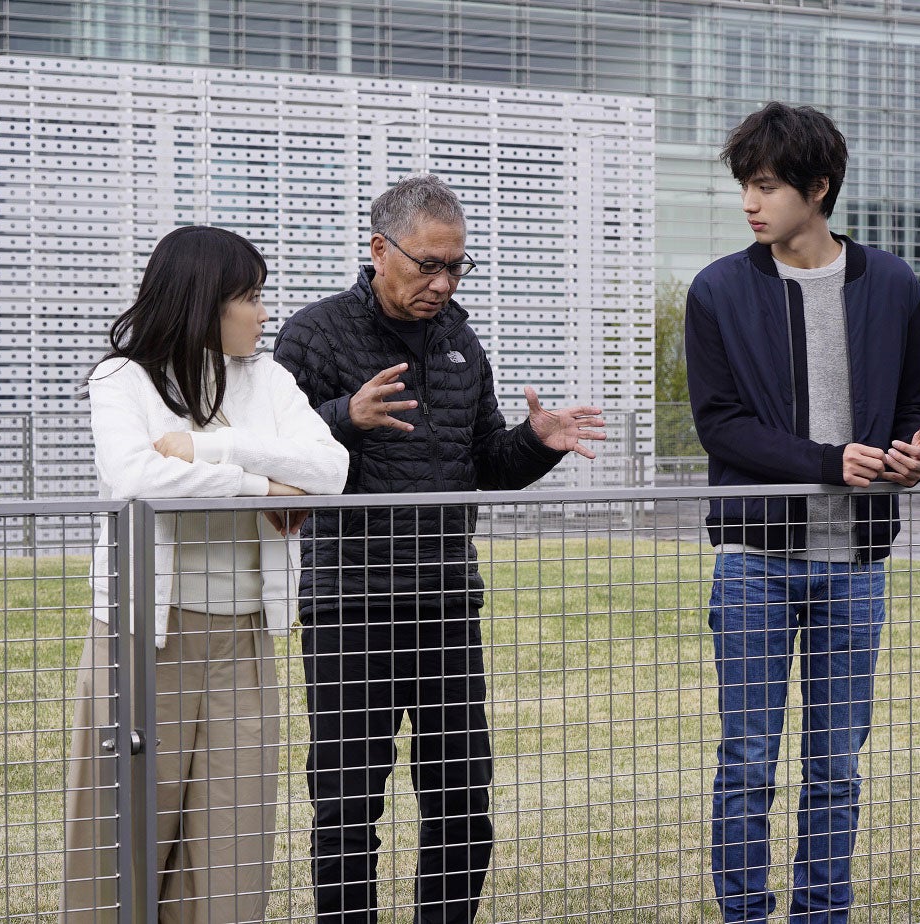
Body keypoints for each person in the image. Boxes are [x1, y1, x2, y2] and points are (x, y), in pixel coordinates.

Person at [273, 173, 606, 924]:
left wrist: (536, 442)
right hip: (350, 606)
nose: (444, 282)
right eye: (429, 264)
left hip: (448, 603)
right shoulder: (315, 333)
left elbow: (487, 463)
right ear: (378, 250)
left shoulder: (460, 338)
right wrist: (344, 417)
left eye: (457, 266)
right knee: (349, 805)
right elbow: (275, 456)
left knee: (462, 801)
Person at [684, 103, 920, 922]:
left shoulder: (893, 284)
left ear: (818, 187)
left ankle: (823, 913)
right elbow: (721, 425)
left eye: (766, 187)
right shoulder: (719, 290)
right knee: (750, 761)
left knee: (836, 766)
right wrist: (830, 463)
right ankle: (745, 916)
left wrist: (914, 457)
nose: (751, 204)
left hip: (858, 567)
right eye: (746, 187)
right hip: (755, 562)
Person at [62, 225, 349, 923]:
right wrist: (263, 487)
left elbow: (331, 469)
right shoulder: (121, 378)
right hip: (139, 646)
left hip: (243, 643)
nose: (262, 312)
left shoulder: (269, 379)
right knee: (116, 856)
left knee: (232, 859)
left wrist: (212, 447)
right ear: (203, 302)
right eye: (249, 296)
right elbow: (135, 476)